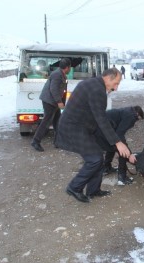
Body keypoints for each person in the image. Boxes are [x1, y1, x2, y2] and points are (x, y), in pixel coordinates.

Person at [55, 68, 131, 203]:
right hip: (74, 128)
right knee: (94, 159)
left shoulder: (92, 84)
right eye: (116, 83)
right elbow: (101, 118)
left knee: (98, 157)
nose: (116, 88)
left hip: (82, 126)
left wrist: (112, 140)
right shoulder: (97, 90)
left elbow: (98, 118)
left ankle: (93, 190)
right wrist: (118, 142)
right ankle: (74, 187)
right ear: (108, 78)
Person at [97, 106, 144, 185]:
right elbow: (119, 134)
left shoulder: (126, 111)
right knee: (123, 150)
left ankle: (106, 168)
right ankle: (122, 177)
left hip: (100, 130)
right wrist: (129, 154)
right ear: (137, 114)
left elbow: (116, 132)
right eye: (138, 119)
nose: (136, 121)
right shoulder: (132, 116)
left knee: (112, 146)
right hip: (104, 131)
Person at [31, 58, 71, 152]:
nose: (70, 69)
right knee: (46, 121)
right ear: (67, 67)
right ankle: (35, 141)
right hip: (49, 101)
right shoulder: (57, 74)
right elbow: (53, 89)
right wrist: (59, 102)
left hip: (53, 101)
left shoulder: (61, 74)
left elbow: (62, 90)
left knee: (58, 121)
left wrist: (61, 102)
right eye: (70, 67)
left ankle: (58, 142)